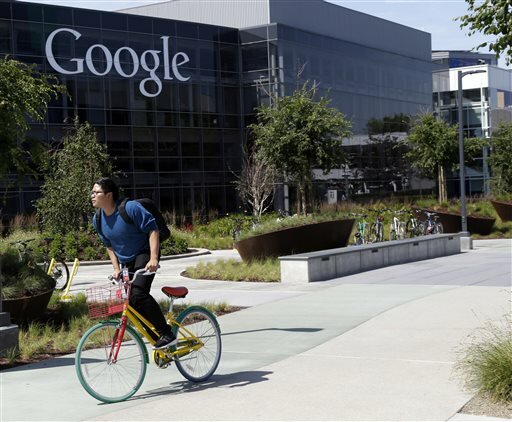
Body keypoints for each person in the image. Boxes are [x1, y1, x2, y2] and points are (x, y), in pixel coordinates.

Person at [91, 177, 176, 349]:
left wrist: (153, 258)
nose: (92, 195)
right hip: (127, 260)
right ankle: (156, 340)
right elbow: (108, 244)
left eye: (96, 192)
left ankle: (167, 333)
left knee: (138, 293)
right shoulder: (98, 218)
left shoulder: (130, 208)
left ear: (108, 195)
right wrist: (116, 268)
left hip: (145, 252)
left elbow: (153, 229)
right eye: (92, 192)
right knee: (129, 302)